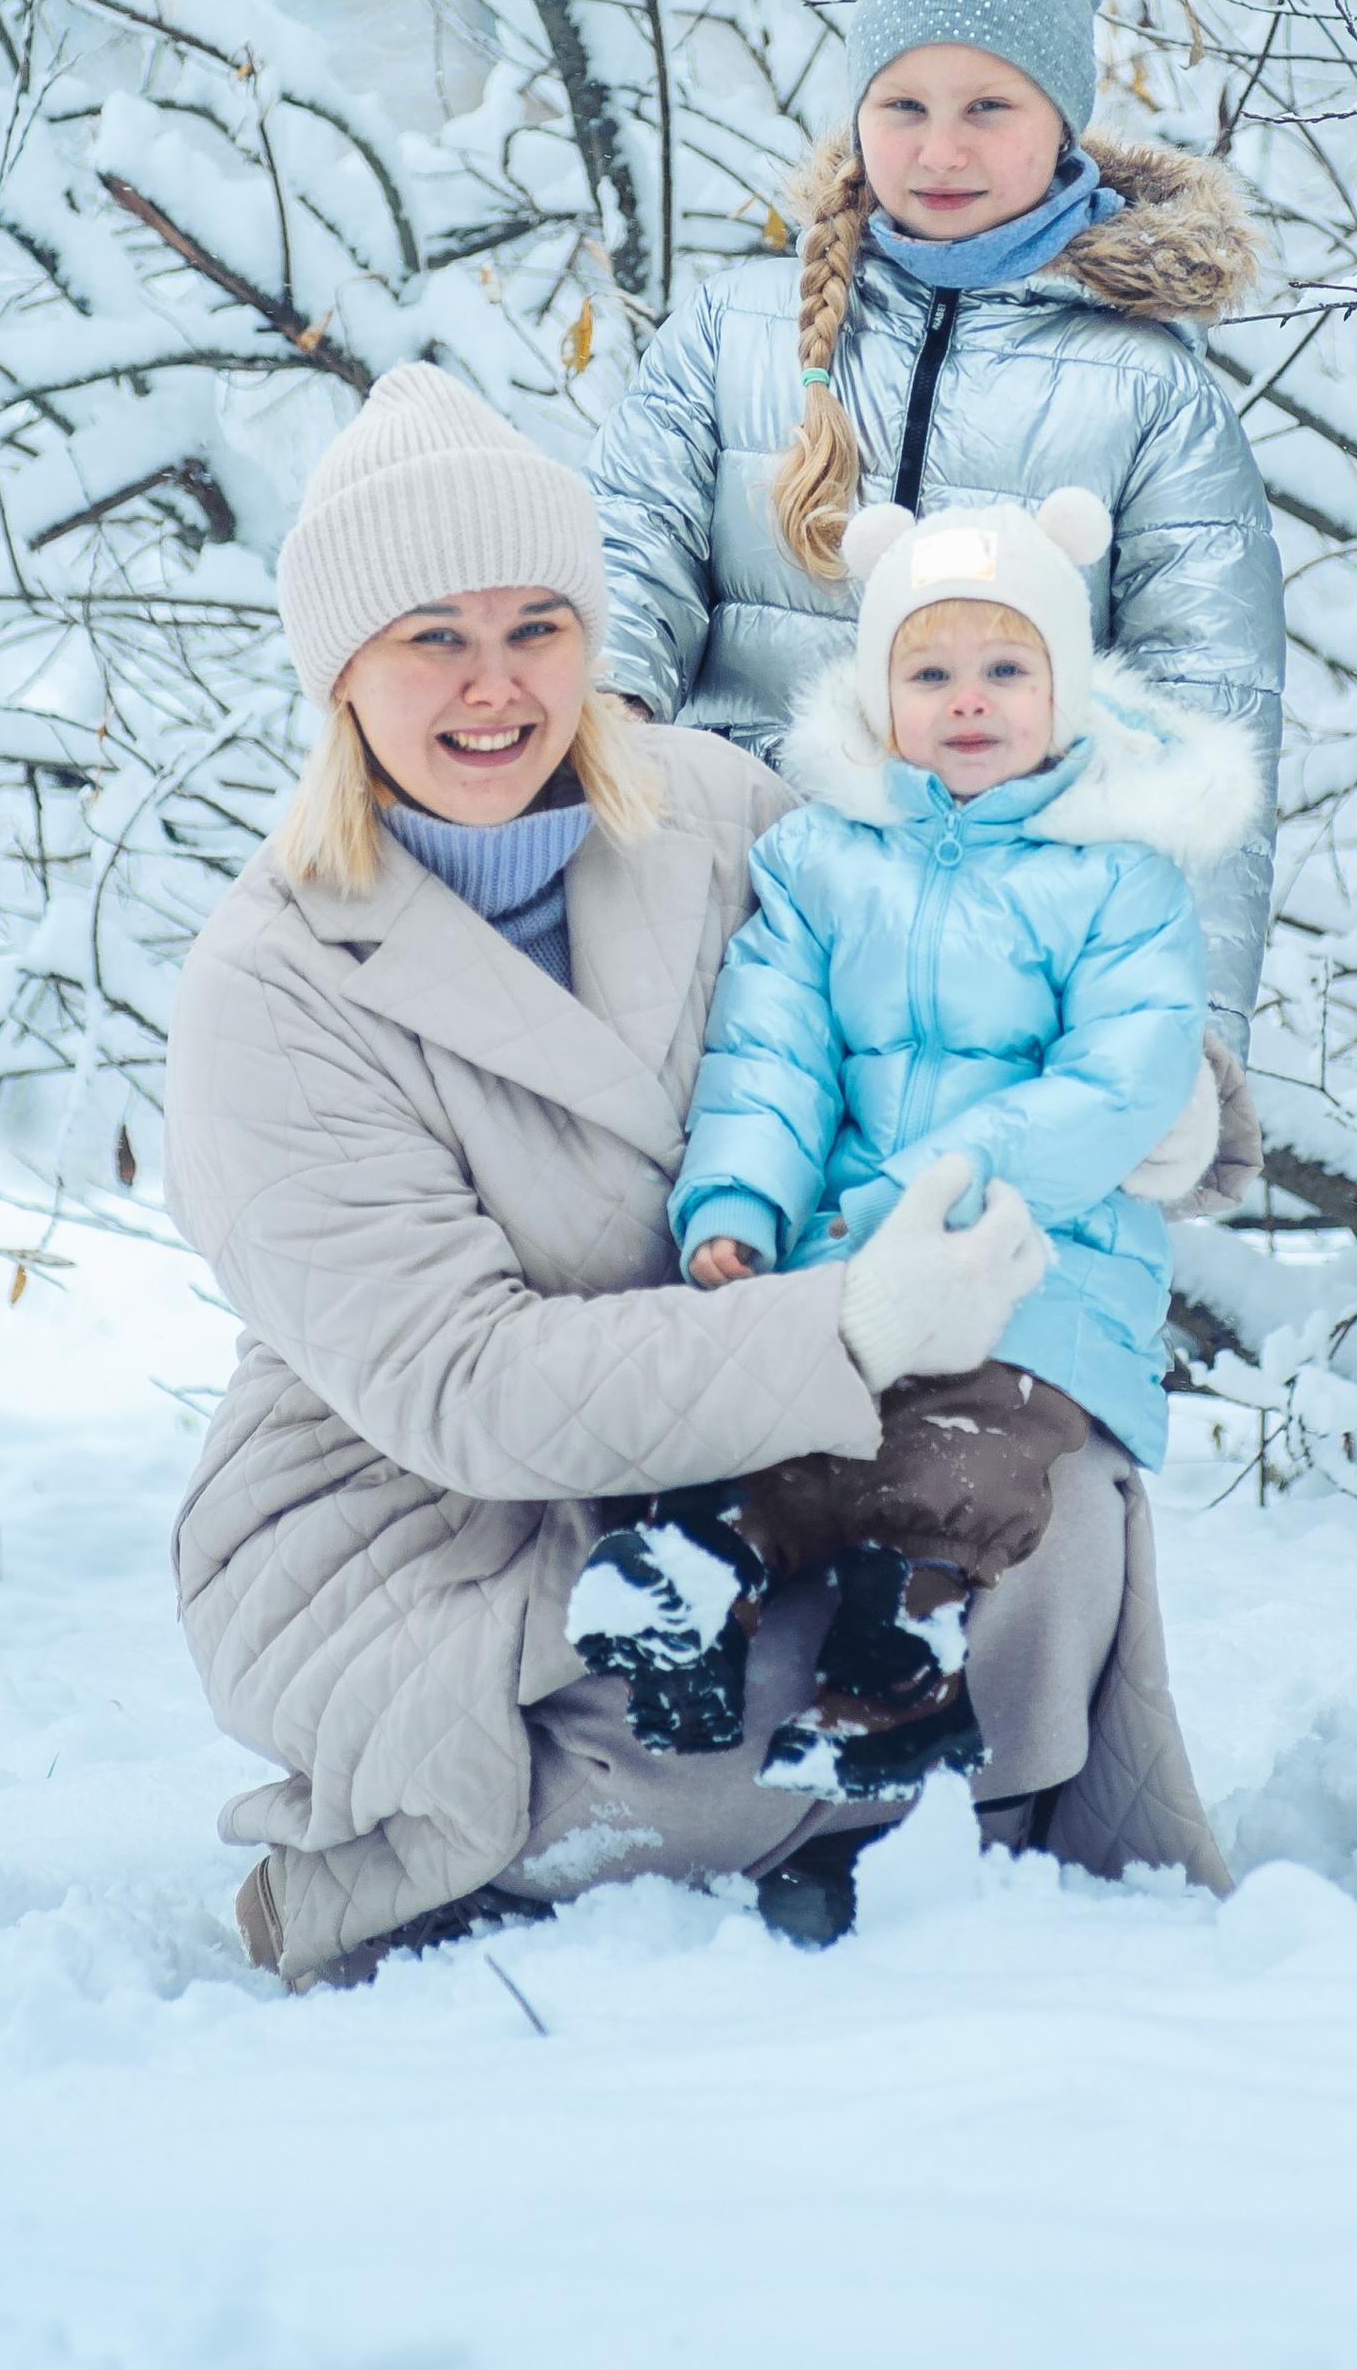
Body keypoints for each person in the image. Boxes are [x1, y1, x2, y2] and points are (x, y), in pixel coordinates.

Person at [164, 366, 1233, 1985]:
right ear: (341, 673)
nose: (495, 685)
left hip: (732, 1458)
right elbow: (470, 1386)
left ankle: (901, 1829)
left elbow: (984, 939)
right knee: (695, 1744)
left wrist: (1170, 1105)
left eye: (539, 624)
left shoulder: (714, 810)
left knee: (1048, 1501)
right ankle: (469, 1858)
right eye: (432, 636)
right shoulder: (273, 987)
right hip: (431, 1512)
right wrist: (857, 1324)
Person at [567, 488, 1261, 1804]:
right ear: (880, 691)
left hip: (1037, 1276)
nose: (969, 699)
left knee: (957, 1441)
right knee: (781, 1417)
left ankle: (901, 1649)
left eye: (1007, 666)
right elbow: (772, 1053)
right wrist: (738, 1203)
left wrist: (920, 1201)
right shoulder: (826, 859)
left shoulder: (1120, 872)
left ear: (1067, 686)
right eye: (930, 669)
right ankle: (701, 1572)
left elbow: (1121, 1078)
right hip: (841, 1259)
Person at [583, 0, 1283, 1100]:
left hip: (995, 957)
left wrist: (1190, 1041)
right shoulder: (730, 332)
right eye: (902, 105)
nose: (938, 151)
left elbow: (1206, 722)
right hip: (727, 915)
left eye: (988, 108)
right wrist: (592, 771)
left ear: (1062, 121)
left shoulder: (1146, 386)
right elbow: (620, 572)